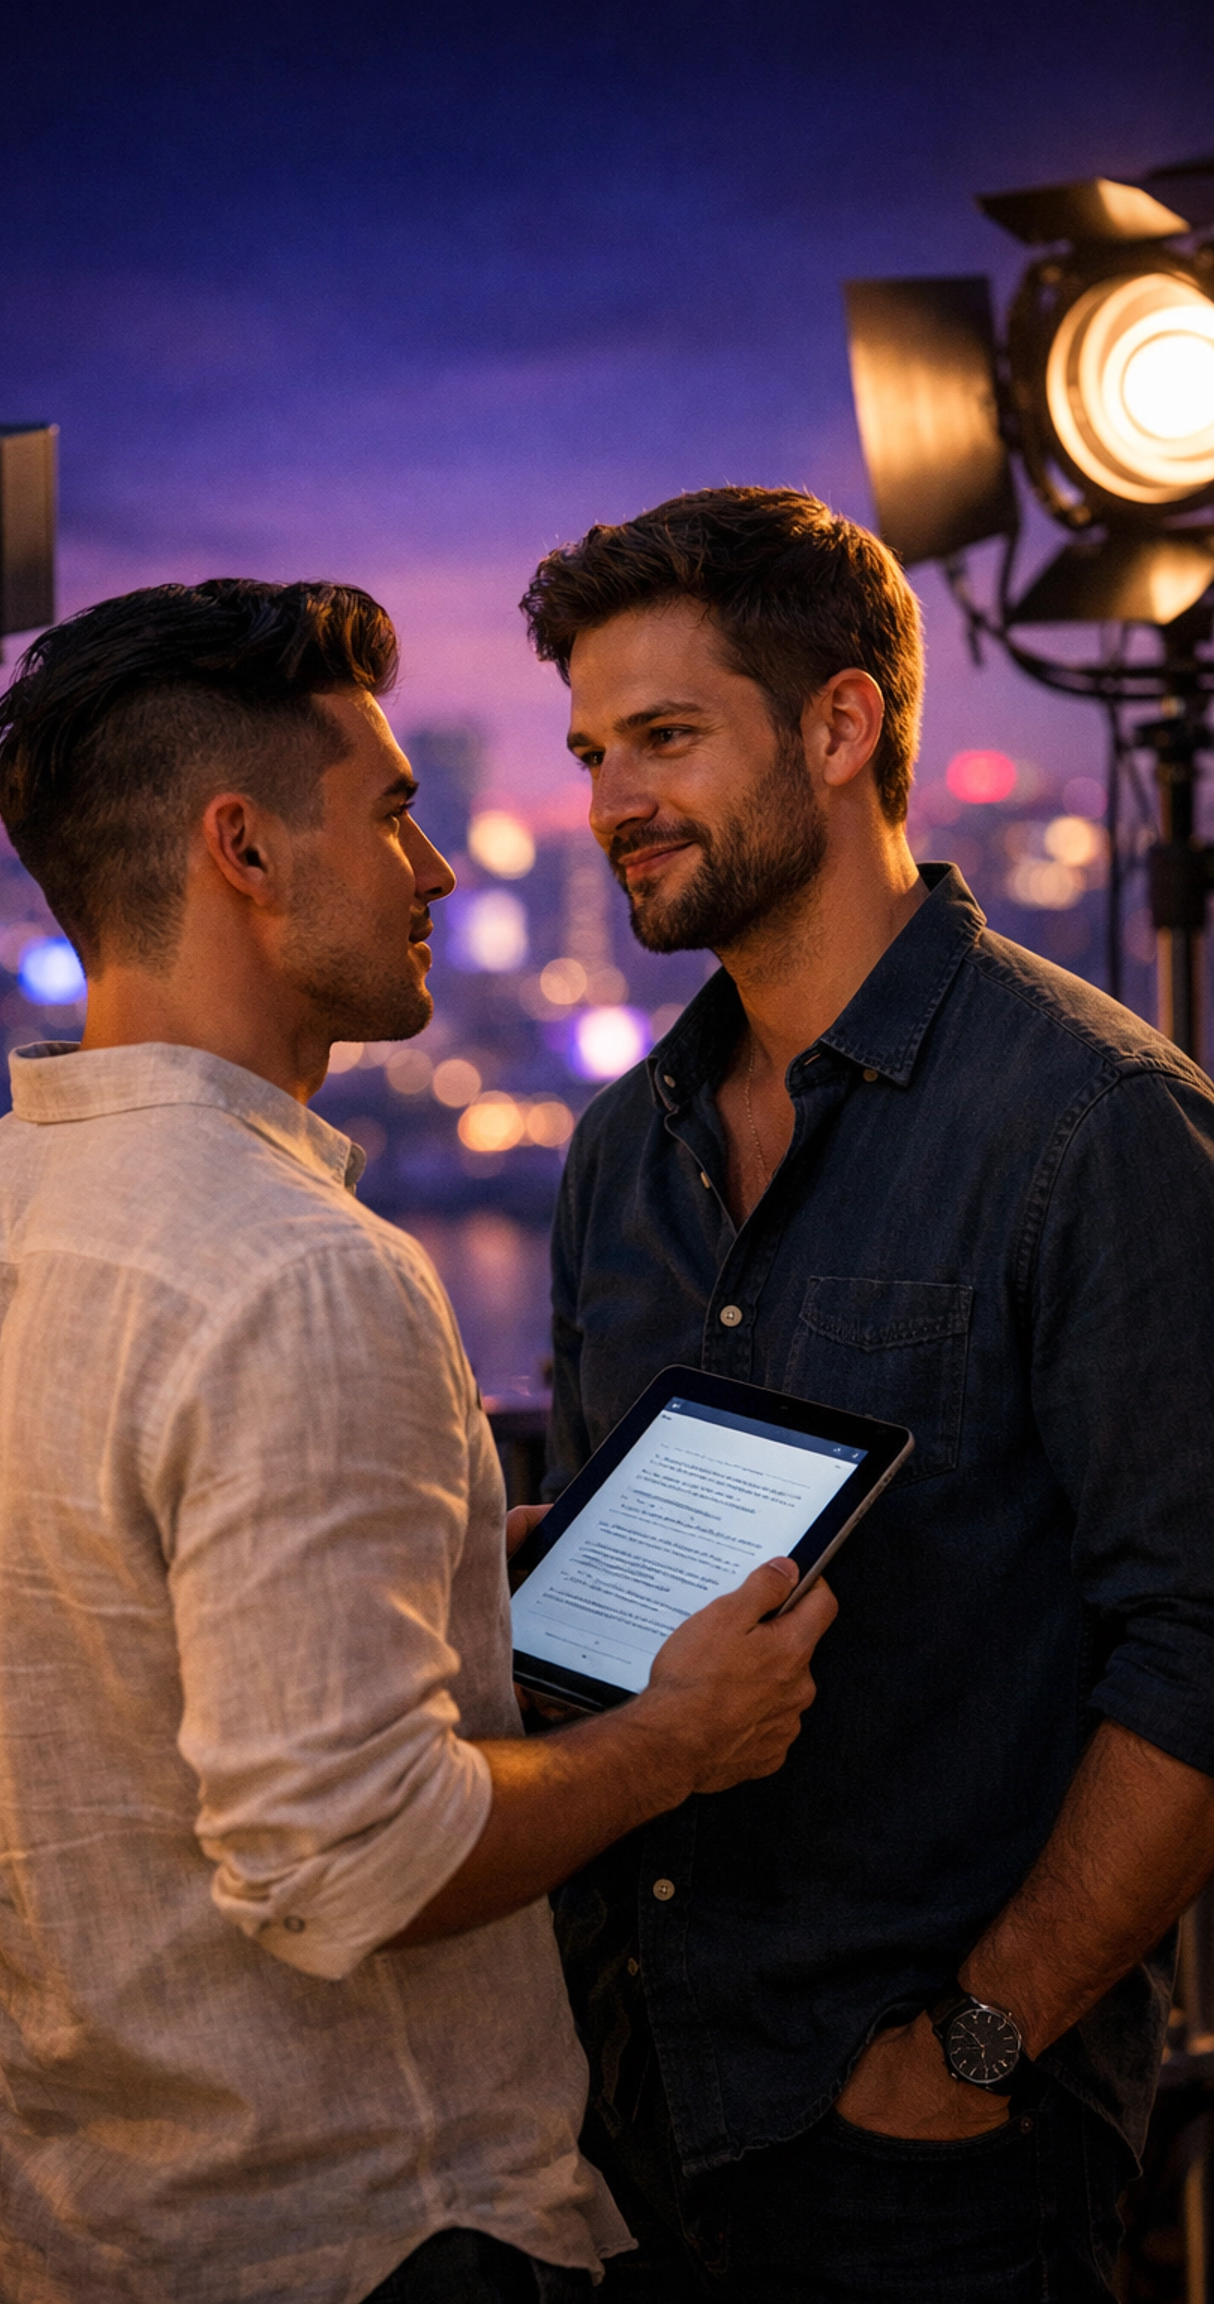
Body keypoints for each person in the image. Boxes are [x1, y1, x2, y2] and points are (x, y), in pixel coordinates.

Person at [0, 576, 835, 2304]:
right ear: (244, 848)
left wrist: (435, 1580)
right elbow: (349, 1860)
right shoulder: (299, 1274)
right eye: (393, 815)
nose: (436, 870)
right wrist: (677, 1739)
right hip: (372, 2231)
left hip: (59, 2235)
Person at [517, 486, 1214, 2302]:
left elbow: (1205, 1644)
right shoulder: (620, 1152)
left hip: (929, 2160)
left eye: (667, 736)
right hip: (621, 2120)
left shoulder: (1093, 1123)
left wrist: (975, 2051)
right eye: (593, 749)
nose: (611, 804)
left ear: (843, 726)